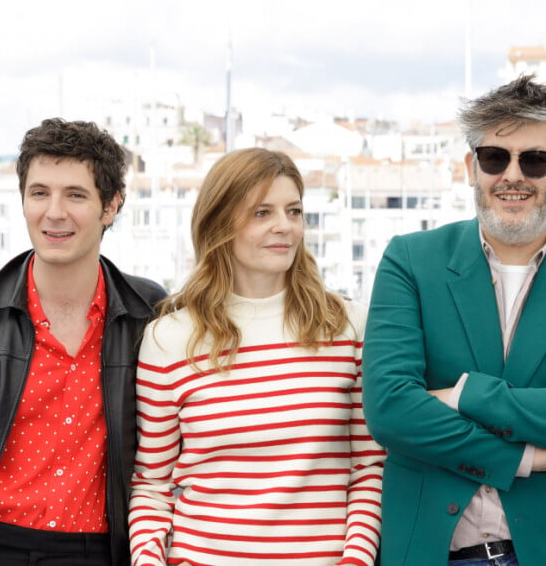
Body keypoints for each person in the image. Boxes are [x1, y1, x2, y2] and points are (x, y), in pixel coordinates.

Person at [128, 147, 385, 566]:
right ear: (219, 223)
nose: (285, 226)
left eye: (294, 211)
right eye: (262, 213)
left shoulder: (349, 326)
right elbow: (152, 485)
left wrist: (354, 560)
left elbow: (369, 468)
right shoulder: (168, 339)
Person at [0, 118, 167, 566]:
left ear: (111, 206)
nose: (54, 212)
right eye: (40, 193)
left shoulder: (150, 311)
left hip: (103, 549)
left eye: (75, 195)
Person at [363, 73, 546, 566]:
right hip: (430, 551)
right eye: (495, 158)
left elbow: (418, 409)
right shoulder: (410, 260)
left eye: (536, 161)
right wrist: (524, 457)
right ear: (471, 167)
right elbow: (390, 410)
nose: (514, 176)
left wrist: (468, 395)